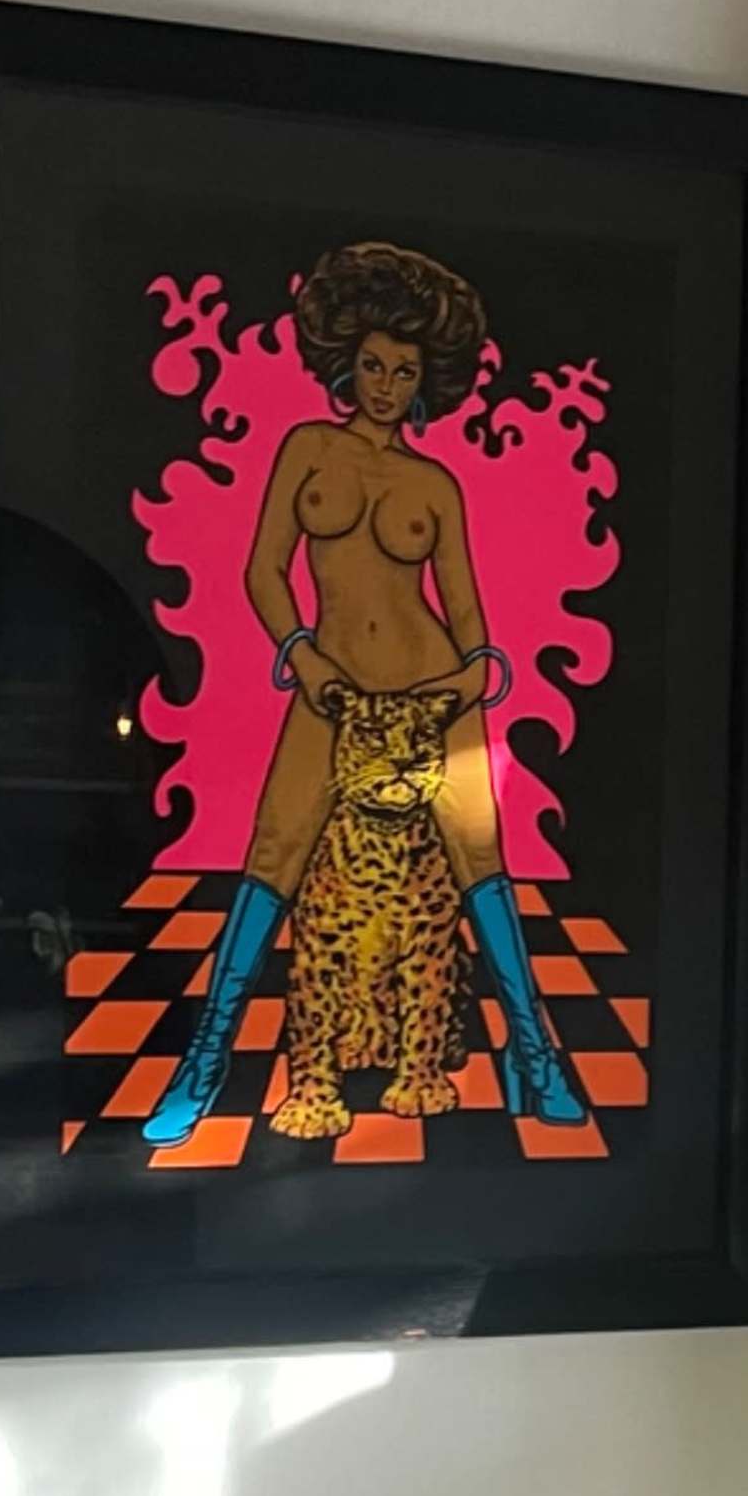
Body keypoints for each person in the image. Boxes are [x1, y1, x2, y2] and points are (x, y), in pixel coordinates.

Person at [144, 240, 589, 1144]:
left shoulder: (435, 482)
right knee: (275, 851)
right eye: (376, 366)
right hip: (332, 689)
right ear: (349, 362)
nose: (386, 386)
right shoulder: (308, 448)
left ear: (429, 381)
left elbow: (465, 607)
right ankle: (205, 1060)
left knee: (481, 860)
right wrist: (301, 654)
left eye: (405, 371)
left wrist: (476, 671)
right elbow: (263, 569)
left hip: (434, 692)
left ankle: (534, 1052)